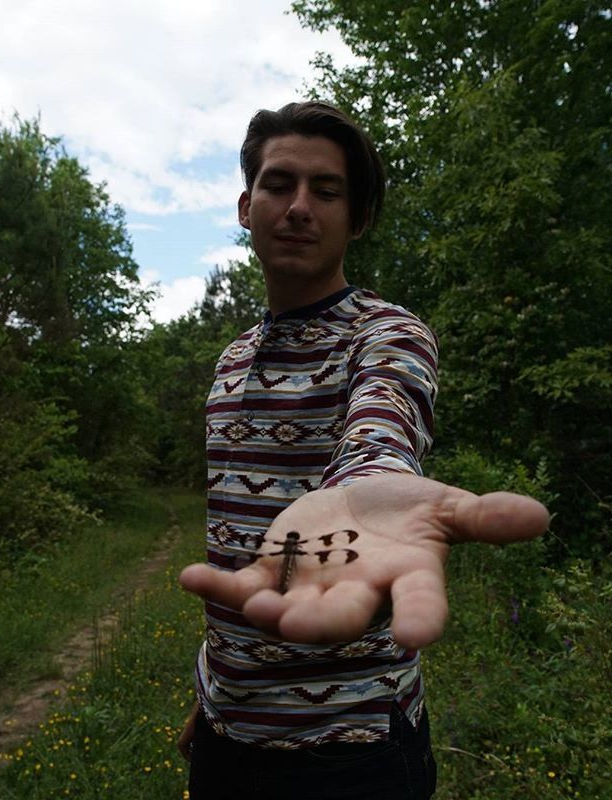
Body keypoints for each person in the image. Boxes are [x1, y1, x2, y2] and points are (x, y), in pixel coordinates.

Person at [178, 101, 548, 799]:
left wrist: (369, 487)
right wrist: (214, 688)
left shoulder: (386, 336)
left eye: (327, 190)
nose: (298, 207)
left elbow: (383, 424)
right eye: (278, 184)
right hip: (228, 736)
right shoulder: (230, 361)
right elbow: (238, 546)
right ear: (244, 204)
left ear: (357, 218)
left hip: (352, 749)